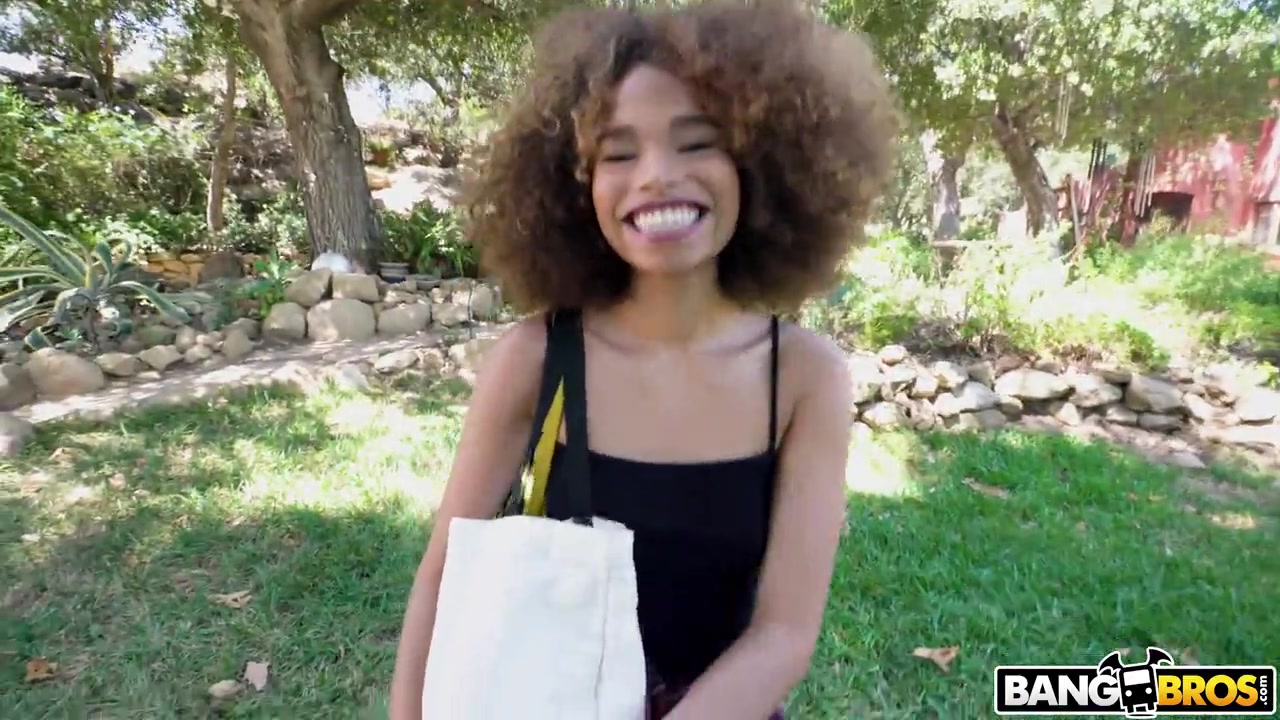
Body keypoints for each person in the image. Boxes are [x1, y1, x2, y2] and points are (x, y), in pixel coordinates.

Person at [388, 0, 899, 717]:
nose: (656, 175)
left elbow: (784, 634)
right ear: (576, 184)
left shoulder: (805, 378)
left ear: (759, 164)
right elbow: (443, 577)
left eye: (697, 143)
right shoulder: (536, 359)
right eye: (619, 153)